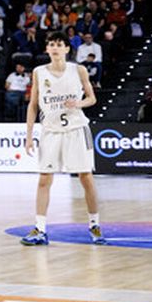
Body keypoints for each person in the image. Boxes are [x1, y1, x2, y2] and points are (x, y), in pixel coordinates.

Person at [21, 30, 105, 245]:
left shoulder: (79, 70)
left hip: (76, 130)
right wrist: (29, 135)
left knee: (86, 177)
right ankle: (40, 229)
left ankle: (94, 225)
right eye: (52, 44)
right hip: (50, 131)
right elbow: (33, 105)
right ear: (47, 49)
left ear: (67, 48)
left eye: (59, 44)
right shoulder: (39, 72)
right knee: (44, 179)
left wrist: (78, 103)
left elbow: (92, 98)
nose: (55, 47)